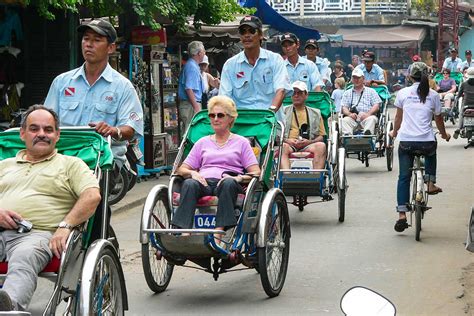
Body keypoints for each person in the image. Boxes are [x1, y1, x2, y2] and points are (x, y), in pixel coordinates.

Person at [0, 105, 101, 311]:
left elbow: (92, 196)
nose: (41, 134)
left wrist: (66, 225)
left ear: (57, 135)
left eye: (48, 130)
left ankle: (9, 309)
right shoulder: (5, 164)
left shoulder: (71, 164)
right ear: (22, 134)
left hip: (37, 235)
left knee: (24, 256)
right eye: (34, 129)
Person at [44, 18, 144, 169]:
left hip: (103, 162)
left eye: (97, 40)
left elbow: (131, 129)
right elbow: (46, 121)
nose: (89, 44)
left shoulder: (123, 87)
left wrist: (113, 130)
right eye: (86, 39)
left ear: (110, 48)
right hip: (62, 159)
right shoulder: (62, 82)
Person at [170, 96, 261, 232]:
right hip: (204, 182)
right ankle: (185, 234)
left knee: (228, 183)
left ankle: (218, 235)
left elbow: (256, 172)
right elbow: (181, 169)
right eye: (212, 115)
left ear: (230, 118)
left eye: (220, 115)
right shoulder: (202, 142)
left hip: (228, 183)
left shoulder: (242, 143)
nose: (215, 119)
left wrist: (238, 178)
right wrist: (192, 172)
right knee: (189, 184)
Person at [389, 62, 451, 233]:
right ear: (427, 76)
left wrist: (394, 133)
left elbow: (398, 119)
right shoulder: (434, 95)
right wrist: (445, 135)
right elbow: (439, 120)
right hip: (426, 142)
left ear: (409, 76)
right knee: (432, 148)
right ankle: (430, 183)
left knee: (403, 177)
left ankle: (402, 214)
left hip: (406, 142)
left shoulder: (402, 93)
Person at [219, 16, 291, 121]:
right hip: (241, 123)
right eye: (243, 32)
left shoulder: (275, 60)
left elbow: (281, 90)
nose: (247, 35)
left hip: (270, 121)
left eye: (252, 31)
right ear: (240, 36)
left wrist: (270, 114)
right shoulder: (230, 65)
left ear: (261, 35)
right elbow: (224, 98)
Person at [280, 81, 326, 170]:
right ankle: (286, 176)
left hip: (308, 144)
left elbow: (321, 136)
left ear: (306, 95)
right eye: (294, 93)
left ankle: (316, 178)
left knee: (321, 146)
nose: (296, 95)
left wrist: (309, 142)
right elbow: (276, 136)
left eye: (300, 93)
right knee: (283, 147)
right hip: (288, 144)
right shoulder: (282, 112)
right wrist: (287, 140)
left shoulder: (316, 113)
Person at [340, 68, 381, 135]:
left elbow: (376, 105)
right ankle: (347, 138)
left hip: (367, 117)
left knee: (372, 119)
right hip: (353, 118)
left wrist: (368, 114)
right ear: (352, 79)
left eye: (358, 78)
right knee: (344, 120)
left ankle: (367, 137)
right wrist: (350, 114)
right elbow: (344, 107)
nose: (356, 80)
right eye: (354, 78)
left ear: (363, 78)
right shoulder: (347, 93)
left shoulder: (371, 91)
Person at [178, 41, 206, 133]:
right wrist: (197, 107)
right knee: (190, 133)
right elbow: (189, 88)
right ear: (199, 53)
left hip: (190, 104)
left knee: (190, 131)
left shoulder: (192, 65)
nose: (204, 53)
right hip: (190, 105)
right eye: (203, 51)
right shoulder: (192, 67)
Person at [454, 67, 474, 139]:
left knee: (461, 114)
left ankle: (459, 128)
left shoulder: (464, 84)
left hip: (466, 105)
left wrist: (454, 106)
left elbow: (458, 96)